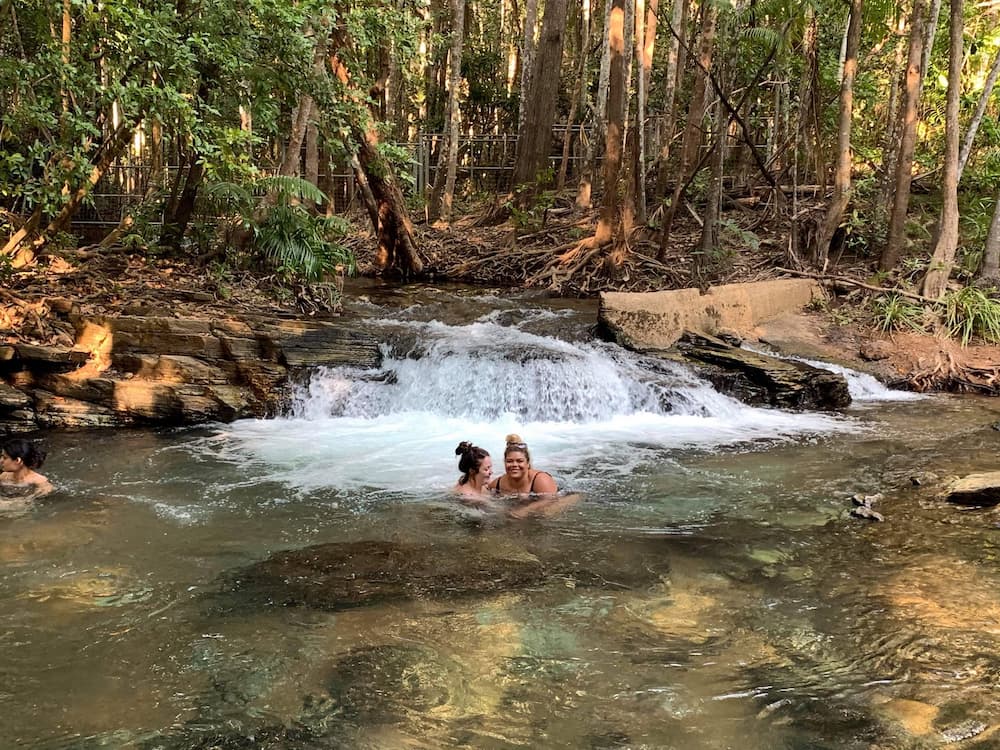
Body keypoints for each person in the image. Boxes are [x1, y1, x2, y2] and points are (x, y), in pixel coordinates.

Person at [453, 441, 496, 509]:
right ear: (472, 471)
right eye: (486, 469)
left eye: (490, 467)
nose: (491, 472)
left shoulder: (470, 480)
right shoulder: (470, 497)